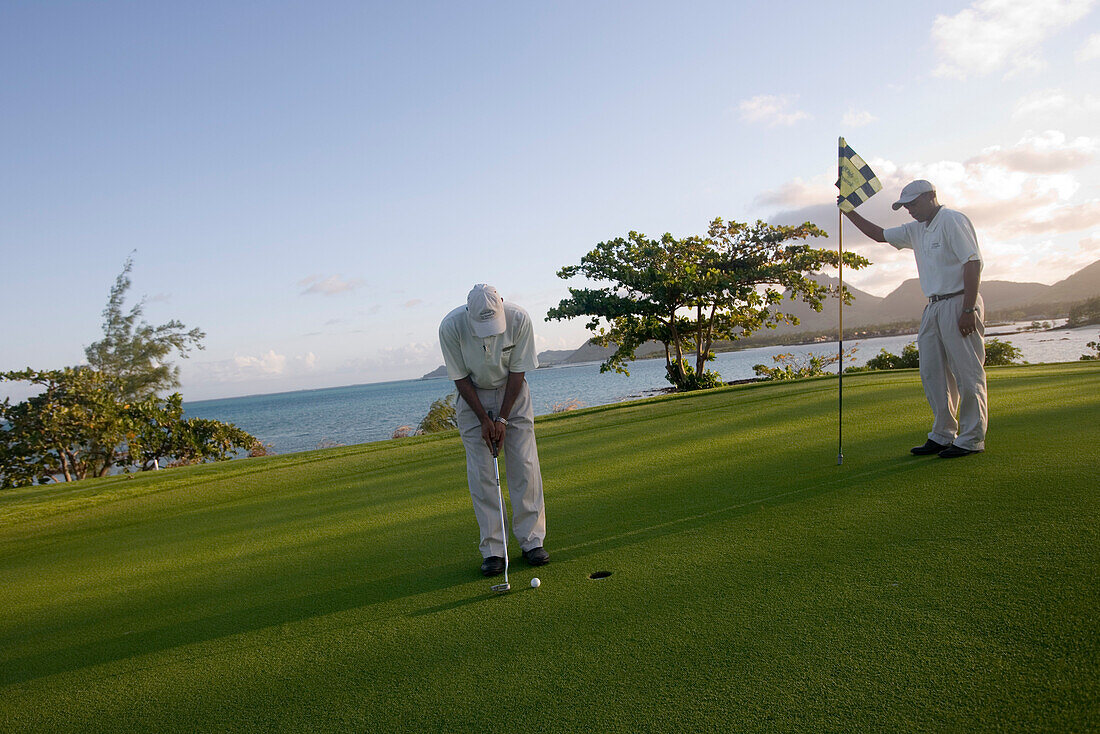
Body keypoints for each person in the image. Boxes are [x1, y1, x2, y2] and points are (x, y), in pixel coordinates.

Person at [843, 179, 988, 458]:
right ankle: (943, 434)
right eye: (906, 205)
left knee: (967, 373)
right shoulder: (915, 229)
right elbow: (879, 234)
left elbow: (973, 262)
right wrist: (849, 211)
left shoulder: (952, 220)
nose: (909, 209)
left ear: (932, 196)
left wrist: (968, 309)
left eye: (913, 203)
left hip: (960, 300)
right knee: (932, 372)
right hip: (933, 305)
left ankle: (971, 439)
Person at [438, 284, 549, 575]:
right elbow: (460, 379)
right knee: (483, 472)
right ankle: (494, 550)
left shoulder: (519, 319)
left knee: (524, 465)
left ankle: (532, 541)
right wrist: (484, 421)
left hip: (514, 393)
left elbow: (518, 371)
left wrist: (501, 419)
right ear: (467, 312)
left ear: (502, 303)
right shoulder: (451, 327)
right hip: (472, 395)